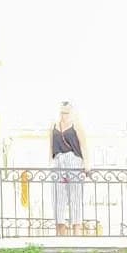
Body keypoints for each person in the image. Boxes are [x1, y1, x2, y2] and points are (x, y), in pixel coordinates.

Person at [51, 101, 87, 235]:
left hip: (73, 160)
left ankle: (77, 231)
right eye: (62, 112)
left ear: (71, 112)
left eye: (66, 112)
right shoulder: (53, 126)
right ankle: (61, 230)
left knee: (75, 195)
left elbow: (83, 145)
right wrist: (49, 163)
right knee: (58, 195)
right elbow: (50, 146)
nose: (63, 115)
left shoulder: (76, 125)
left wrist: (86, 164)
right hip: (58, 160)